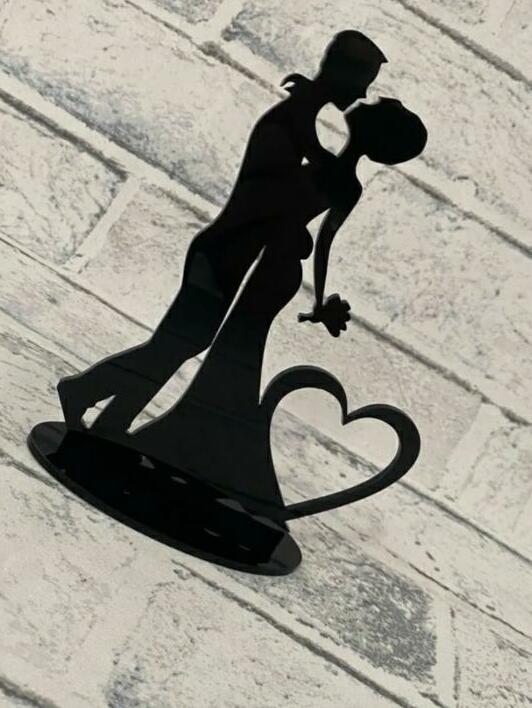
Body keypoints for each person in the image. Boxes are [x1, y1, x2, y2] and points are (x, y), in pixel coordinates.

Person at [57, 30, 388, 434]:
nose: (362, 94)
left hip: (232, 255)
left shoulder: (303, 126)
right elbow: (270, 194)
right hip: (222, 253)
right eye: (362, 81)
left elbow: (290, 196)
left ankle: (111, 423)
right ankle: (84, 392)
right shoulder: (296, 124)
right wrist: (292, 227)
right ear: (339, 72)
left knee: (181, 343)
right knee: (179, 342)